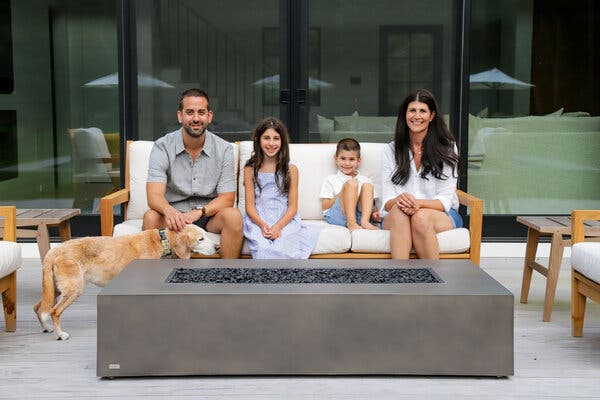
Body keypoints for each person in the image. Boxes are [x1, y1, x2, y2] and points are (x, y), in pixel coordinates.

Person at [142, 88, 243, 259]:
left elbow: (227, 198)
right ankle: (155, 280)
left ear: (209, 116)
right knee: (151, 217)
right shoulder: (162, 146)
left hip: (208, 215)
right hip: (174, 216)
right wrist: (169, 211)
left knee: (233, 217)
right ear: (180, 116)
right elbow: (154, 195)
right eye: (190, 112)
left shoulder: (224, 149)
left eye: (201, 112)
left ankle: (227, 279)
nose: (196, 118)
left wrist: (200, 212)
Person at [381, 89, 462, 259]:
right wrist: (400, 201)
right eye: (412, 110)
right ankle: (400, 279)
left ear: (431, 116)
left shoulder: (447, 148)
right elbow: (387, 201)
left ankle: (432, 282)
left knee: (420, 217)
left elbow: (445, 200)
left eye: (422, 111)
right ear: (405, 114)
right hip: (398, 213)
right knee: (400, 213)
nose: (416, 116)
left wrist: (417, 204)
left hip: (440, 215)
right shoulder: (390, 150)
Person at [243, 117, 320, 259]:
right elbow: (249, 206)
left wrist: (278, 227)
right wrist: (261, 225)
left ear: (283, 142)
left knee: (284, 248)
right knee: (263, 249)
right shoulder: (250, 169)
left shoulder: (292, 170)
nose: (271, 143)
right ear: (258, 140)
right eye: (266, 138)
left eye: (276, 139)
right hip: (258, 219)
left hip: (284, 219)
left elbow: (292, 207)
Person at [319, 138, 381, 231]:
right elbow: (325, 206)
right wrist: (343, 193)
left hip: (359, 217)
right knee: (351, 184)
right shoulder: (331, 179)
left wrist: (376, 214)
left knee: (367, 185)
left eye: (351, 159)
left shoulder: (364, 180)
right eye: (343, 159)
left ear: (358, 161)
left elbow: (373, 205)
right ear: (336, 159)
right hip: (338, 215)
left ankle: (365, 222)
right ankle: (351, 223)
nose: (347, 163)